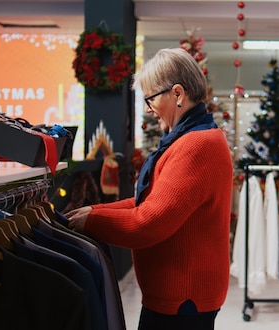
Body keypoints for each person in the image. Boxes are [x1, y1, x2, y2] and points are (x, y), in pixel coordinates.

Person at [66, 47, 233, 330]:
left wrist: (92, 220)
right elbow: (149, 202)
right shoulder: (187, 140)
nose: (147, 108)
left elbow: (149, 223)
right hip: (178, 297)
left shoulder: (196, 145)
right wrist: (94, 211)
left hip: (183, 300)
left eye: (150, 98)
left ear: (178, 94)